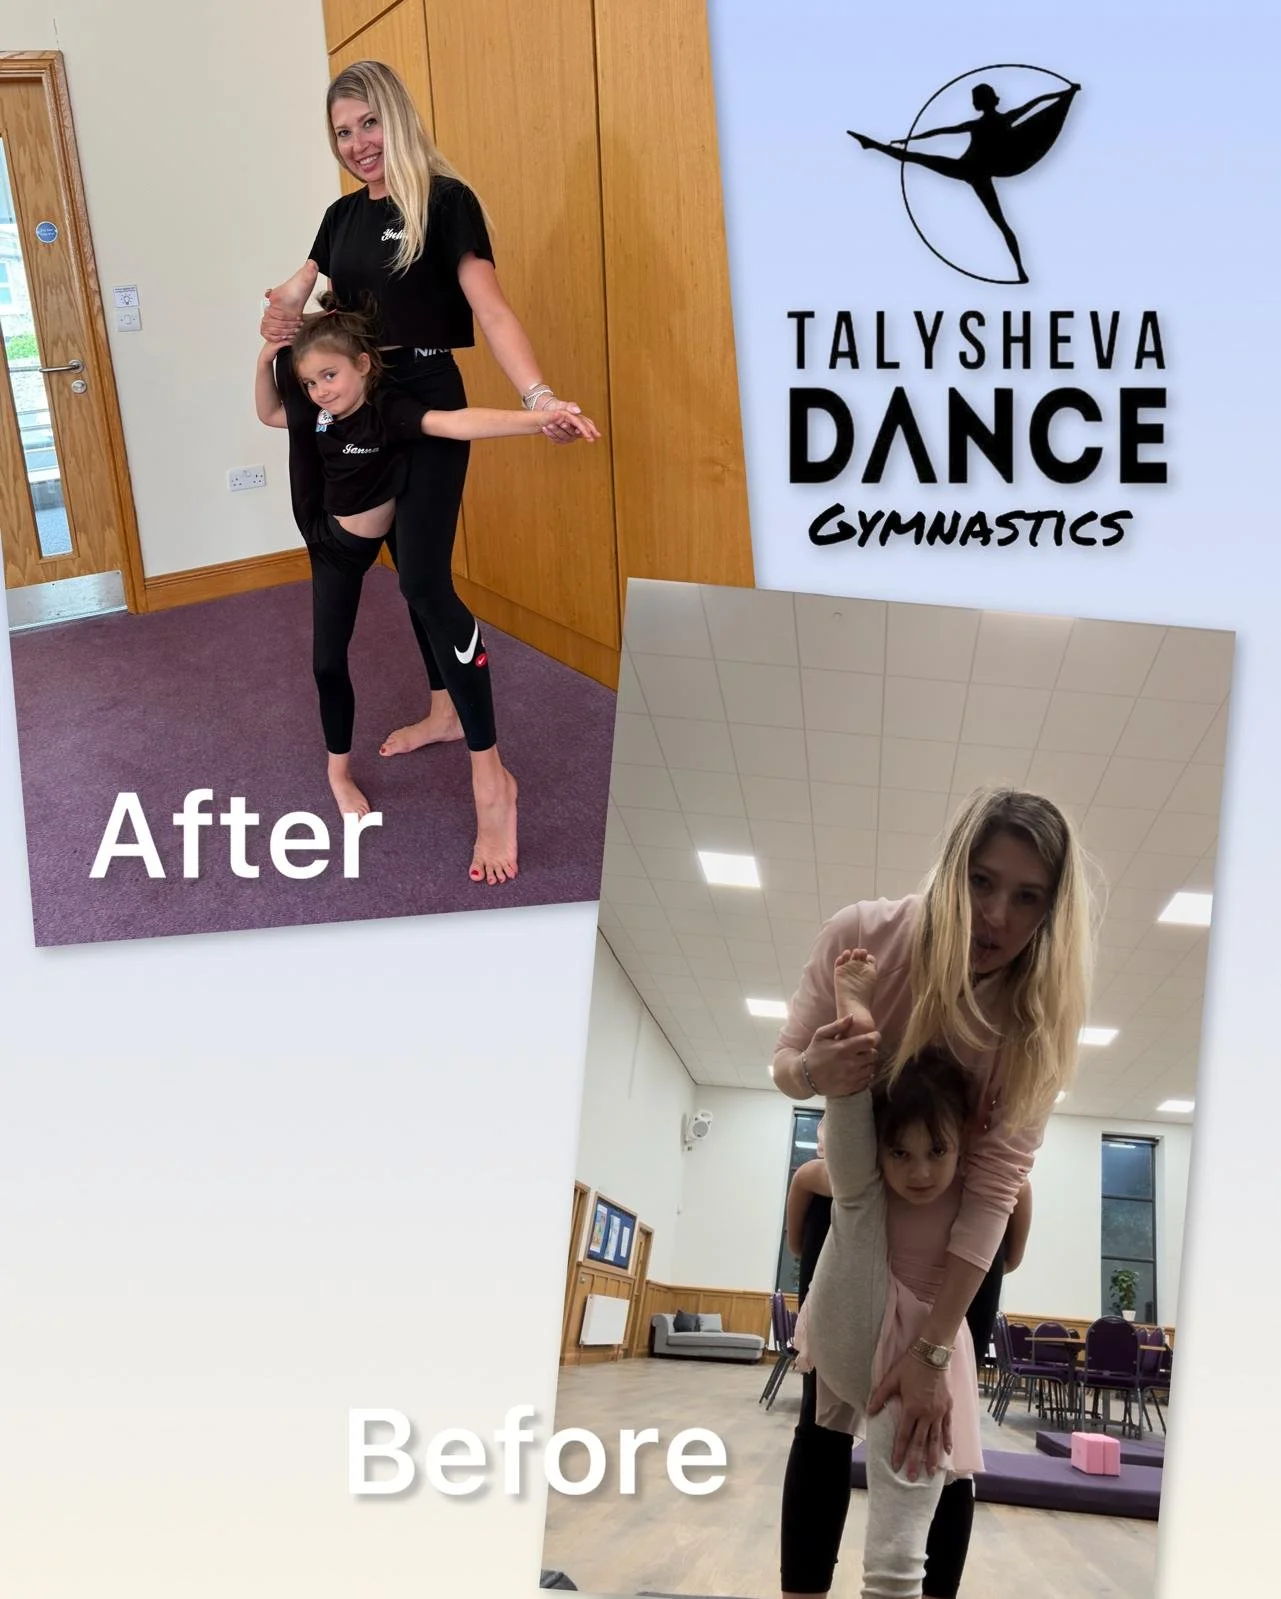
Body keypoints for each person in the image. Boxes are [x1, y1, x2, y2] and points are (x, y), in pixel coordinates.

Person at [260, 59, 589, 884]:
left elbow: (491, 305)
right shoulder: (338, 218)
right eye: (342, 132)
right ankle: (444, 708)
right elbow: (311, 302)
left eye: (369, 124)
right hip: (365, 399)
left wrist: (537, 394)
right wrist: (293, 294)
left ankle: (491, 776)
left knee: (425, 583)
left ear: (397, 120)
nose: (358, 144)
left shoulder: (445, 201)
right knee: (405, 564)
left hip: (429, 394)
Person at [774, 787, 1095, 1599]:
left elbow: (993, 1191)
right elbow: (784, 1065)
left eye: (1028, 898)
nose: (996, 916)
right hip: (857, 1223)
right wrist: (815, 1069)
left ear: (1051, 912)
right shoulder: (864, 938)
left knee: (939, 1442)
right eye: (982, 882)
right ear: (952, 869)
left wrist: (931, 1350)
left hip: (953, 1254)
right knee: (822, 1426)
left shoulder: (1033, 1015)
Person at [254, 300, 598, 822]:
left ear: (364, 364)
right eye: (310, 382)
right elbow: (270, 414)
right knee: (328, 660)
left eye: (330, 374)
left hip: (385, 526)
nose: (321, 390)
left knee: (422, 595)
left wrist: (539, 420)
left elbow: (459, 423)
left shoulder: (389, 409)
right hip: (332, 546)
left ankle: (448, 714)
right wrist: (264, 363)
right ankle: (338, 772)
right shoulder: (319, 413)